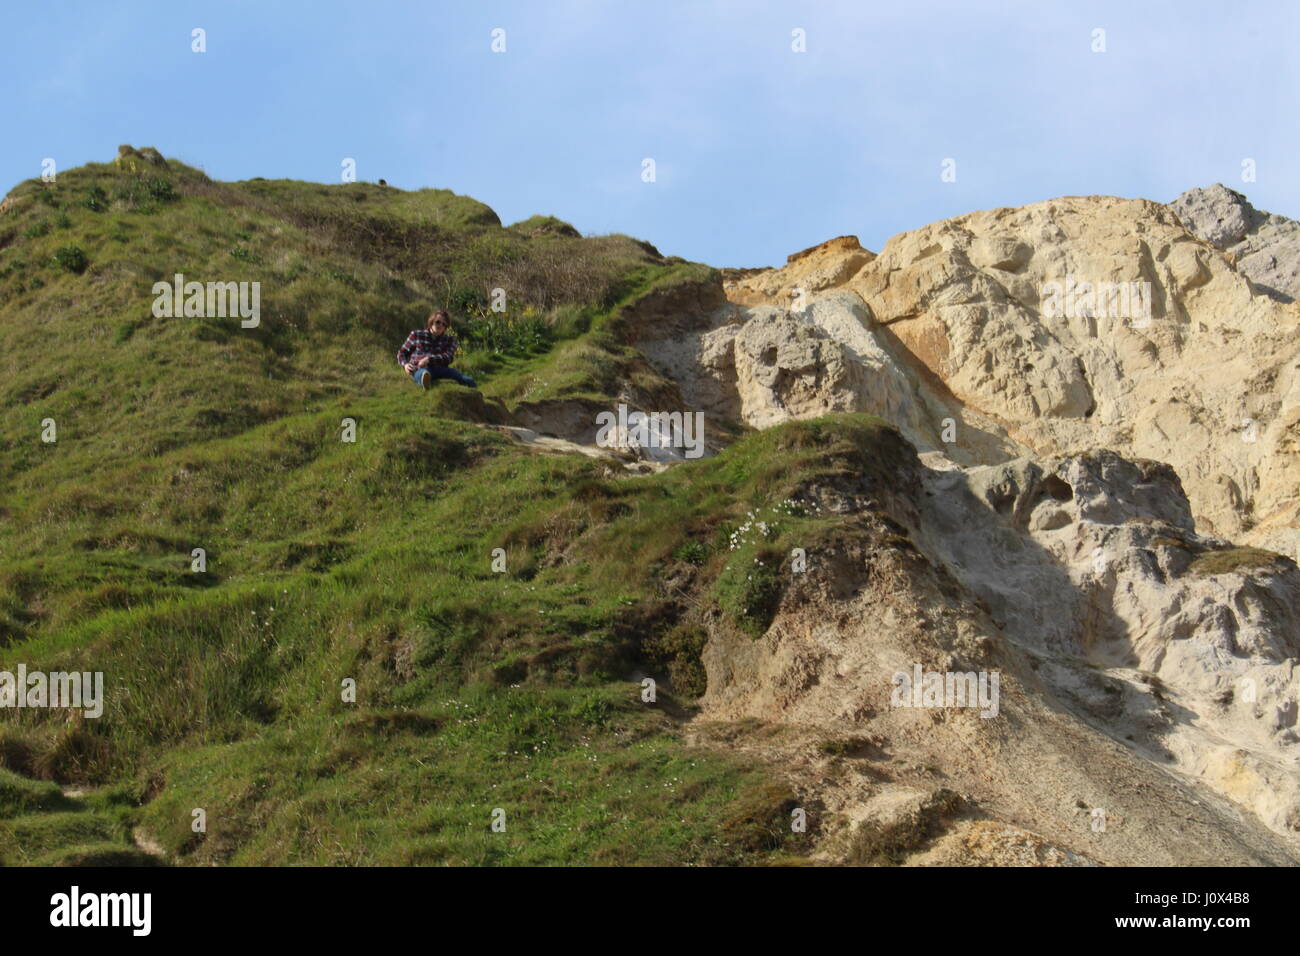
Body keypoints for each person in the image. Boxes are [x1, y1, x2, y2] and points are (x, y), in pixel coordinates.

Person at [396, 309, 477, 389]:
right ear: (431, 322)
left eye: (444, 324)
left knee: (468, 380)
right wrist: (405, 365)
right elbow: (402, 353)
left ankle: (477, 397)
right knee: (423, 374)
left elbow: (448, 357)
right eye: (438, 322)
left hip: (441, 369)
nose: (441, 325)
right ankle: (425, 382)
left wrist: (429, 359)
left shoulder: (450, 340)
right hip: (419, 368)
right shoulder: (416, 334)